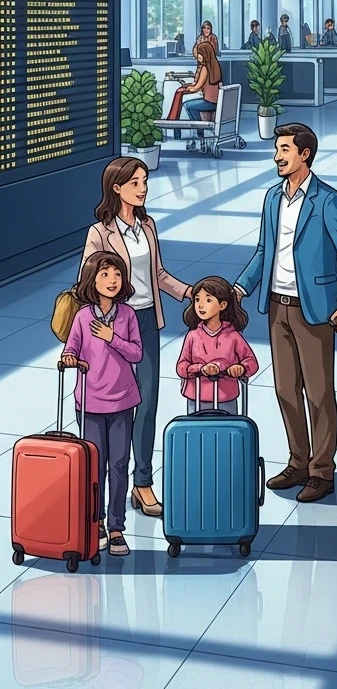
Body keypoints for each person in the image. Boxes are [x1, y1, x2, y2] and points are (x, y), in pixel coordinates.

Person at [235, 123, 337, 503]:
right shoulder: (273, 198)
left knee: (319, 393)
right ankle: (298, 460)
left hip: (315, 309)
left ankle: (323, 471)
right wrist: (242, 287)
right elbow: (263, 250)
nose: (278, 156)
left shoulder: (327, 200)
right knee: (285, 390)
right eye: (277, 149)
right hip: (277, 306)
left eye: (285, 149)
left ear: (304, 154)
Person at [81, 157, 192, 518]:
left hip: (144, 321)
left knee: (146, 405)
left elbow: (157, 273)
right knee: (114, 407)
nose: (143, 188)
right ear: (116, 188)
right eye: (135, 183)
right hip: (112, 326)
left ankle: (142, 484)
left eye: (145, 181)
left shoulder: (148, 226)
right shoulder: (100, 232)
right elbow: (87, 281)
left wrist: (188, 292)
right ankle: (103, 496)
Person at [63, 251, 143, 557]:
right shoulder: (83, 316)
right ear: (92, 280)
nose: (112, 281)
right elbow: (72, 346)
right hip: (90, 403)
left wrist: (113, 338)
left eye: (117, 275)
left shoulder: (128, 316)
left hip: (123, 401)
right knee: (94, 467)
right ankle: (94, 522)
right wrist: (70, 357)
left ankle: (116, 526)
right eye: (104, 274)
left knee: (119, 467)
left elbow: (136, 353)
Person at [177, 276, 259, 414]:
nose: (201, 305)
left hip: (226, 398)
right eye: (197, 300)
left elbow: (251, 362)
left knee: (227, 431)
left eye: (208, 300)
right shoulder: (193, 336)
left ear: (223, 305)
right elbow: (181, 367)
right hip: (196, 397)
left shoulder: (233, 337)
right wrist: (201, 369)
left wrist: (240, 368)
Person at [167, 41, 221, 132]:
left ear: (205, 54)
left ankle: (199, 131)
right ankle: (200, 131)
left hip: (209, 102)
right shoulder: (215, 65)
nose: (197, 57)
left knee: (188, 105)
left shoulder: (205, 68)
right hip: (215, 101)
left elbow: (197, 87)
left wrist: (187, 88)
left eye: (199, 54)